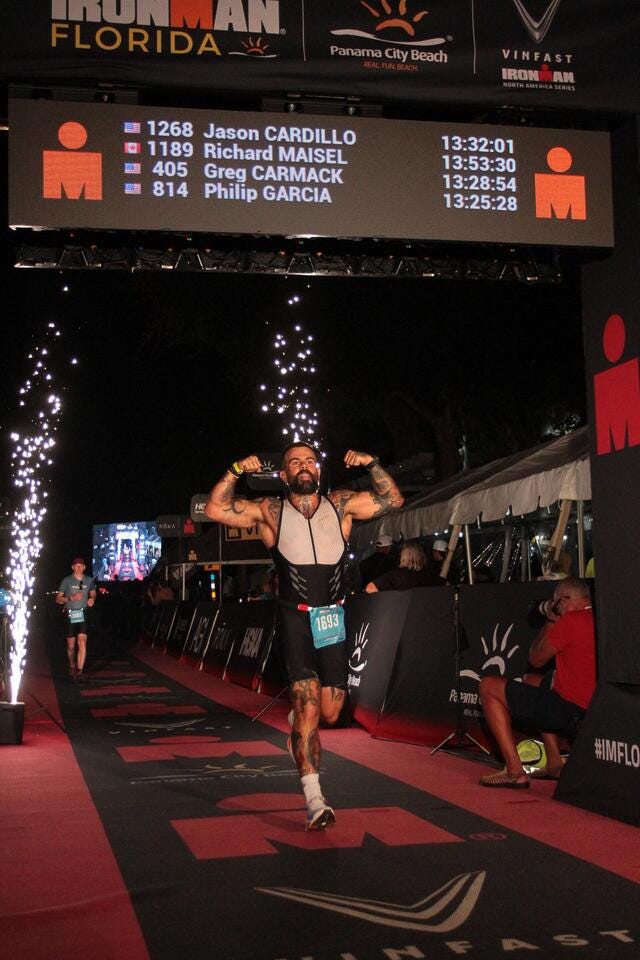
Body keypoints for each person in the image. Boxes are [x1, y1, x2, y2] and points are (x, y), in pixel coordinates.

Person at [205, 444, 404, 829]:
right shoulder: (271, 511)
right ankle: (315, 799)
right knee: (310, 704)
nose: (303, 467)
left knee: (329, 713)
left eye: (309, 461)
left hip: (332, 618)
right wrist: (234, 468)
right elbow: (215, 509)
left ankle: (300, 723)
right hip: (294, 618)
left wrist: (373, 463)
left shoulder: (341, 504)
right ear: (283, 475)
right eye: (294, 463)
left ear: (319, 469)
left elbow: (392, 499)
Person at [478, 577, 596, 788]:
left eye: (556, 601)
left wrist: (551, 621)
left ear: (565, 600)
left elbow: (535, 658)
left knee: (488, 686)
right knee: (534, 681)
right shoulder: (600, 617)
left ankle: (514, 770)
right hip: (599, 709)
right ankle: (553, 761)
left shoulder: (571, 620)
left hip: (574, 713)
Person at [56, 557, 96, 681]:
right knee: (71, 646)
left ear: (84, 567)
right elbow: (58, 599)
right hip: (70, 614)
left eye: (81, 566)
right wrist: (71, 598)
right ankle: (72, 665)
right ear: (72, 567)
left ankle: (79, 671)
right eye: (76, 566)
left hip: (83, 614)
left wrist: (92, 599)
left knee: (82, 642)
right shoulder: (67, 580)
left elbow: (93, 593)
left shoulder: (89, 580)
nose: (78, 568)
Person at [364, 542, 439, 592]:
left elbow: (370, 588)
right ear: (421, 556)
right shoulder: (428, 576)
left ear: (403, 556)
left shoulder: (396, 575)